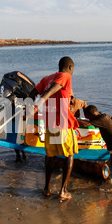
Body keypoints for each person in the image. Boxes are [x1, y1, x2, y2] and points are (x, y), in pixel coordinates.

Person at [28, 56, 79, 200]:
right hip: (63, 123)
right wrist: (39, 103)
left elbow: (32, 93)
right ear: (70, 67)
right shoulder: (66, 75)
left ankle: (47, 189)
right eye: (72, 69)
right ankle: (63, 190)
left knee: (50, 156)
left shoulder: (47, 78)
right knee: (69, 155)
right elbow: (53, 88)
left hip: (50, 123)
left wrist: (31, 106)